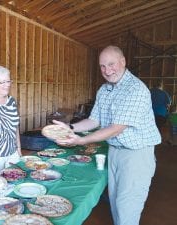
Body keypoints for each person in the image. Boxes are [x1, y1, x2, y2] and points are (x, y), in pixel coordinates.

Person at [53, 46, 161, 225]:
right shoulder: (104, 90)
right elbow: (94, 120)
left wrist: (82, 140)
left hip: (136, 154)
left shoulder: (135, 89)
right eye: (102, 66)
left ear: (123, 62)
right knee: (116, 203)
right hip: (115, 151)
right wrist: (70, 127)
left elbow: (116, 128)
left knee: (127, 207)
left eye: (111, 64)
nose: (107, 70)